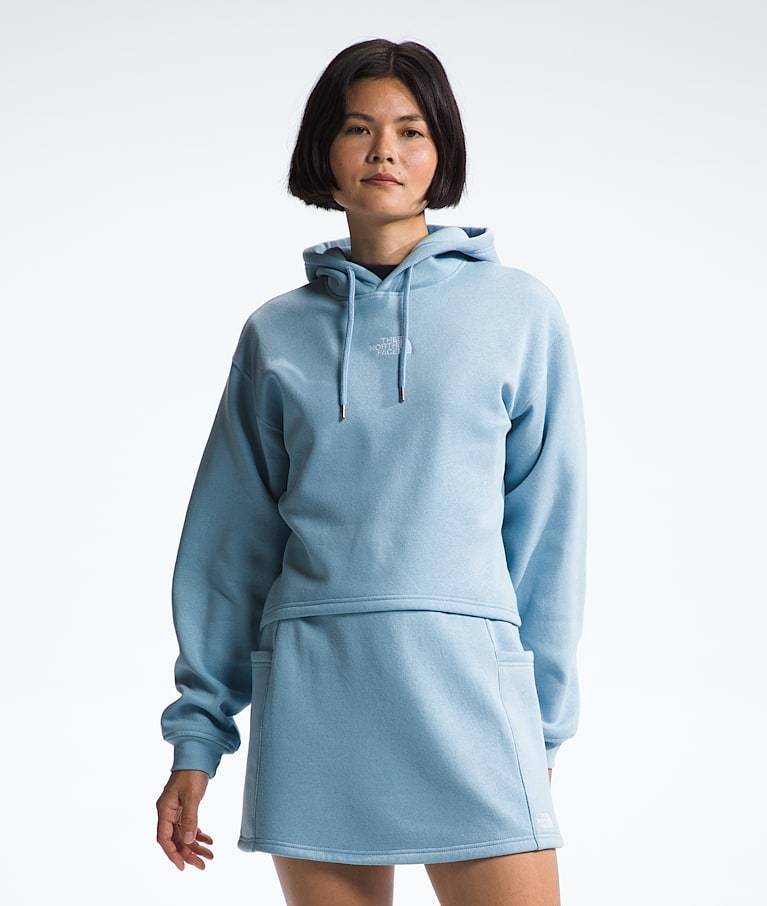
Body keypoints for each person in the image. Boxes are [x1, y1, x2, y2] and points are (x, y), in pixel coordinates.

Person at [155, 38, 587, 906]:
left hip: (469, 696)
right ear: (324, 151)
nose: (384, 150)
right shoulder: (275, 334)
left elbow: (548, 533)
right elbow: (228, 547)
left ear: (441, 150)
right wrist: (197, 741)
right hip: (318, 697)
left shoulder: (519, 313)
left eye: (410, 130)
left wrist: (538, 727)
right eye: (358, 128)